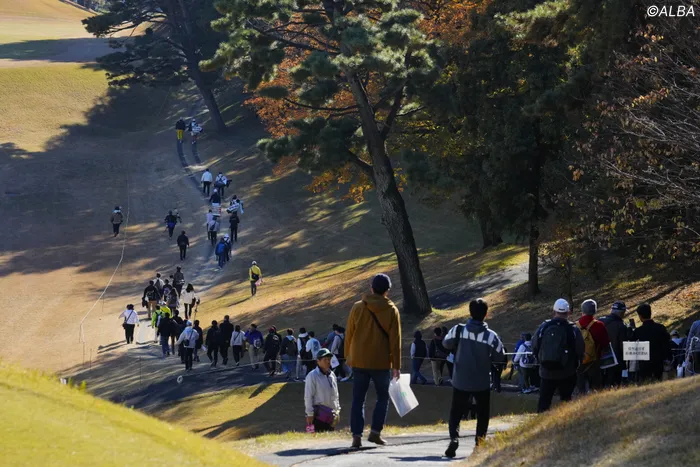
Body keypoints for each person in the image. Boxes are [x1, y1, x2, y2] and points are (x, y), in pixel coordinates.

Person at [442, 299, 504, 457]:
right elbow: (500, 356)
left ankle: (454, 438)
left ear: (470, 313)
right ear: (486, 314)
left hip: (461, 379)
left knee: (456, 412)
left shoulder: (459, 330)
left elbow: (446, 343)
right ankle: (479, 445)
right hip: (481, 381)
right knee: (483, 414)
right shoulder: (491, 336)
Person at [345, 273, 401, 449]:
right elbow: (395, 341)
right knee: (383, 397)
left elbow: (349, 334)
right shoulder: (391, 310)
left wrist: (348, 356)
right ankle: (375, 432)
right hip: (381, 361)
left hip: (359, 360)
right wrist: (396, 366)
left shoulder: (357, 307)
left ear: (371, 288)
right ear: (387, 291)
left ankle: (356, 436)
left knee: (358, 399)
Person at [532, 299, 585, 413]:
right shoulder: (573, 329)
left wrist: (540, 361)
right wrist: (576, 364)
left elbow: (535, 345)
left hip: (546, 371)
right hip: (567, 371)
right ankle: (565, 421)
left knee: (544, 402)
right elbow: (580, 350)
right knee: (566, 401)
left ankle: (540, 421)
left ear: (554, 311)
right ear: (568, 312)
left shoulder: (544, 326)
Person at [576, 299, 610, 394]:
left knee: (581, 390)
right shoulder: (599, 325)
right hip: (594, 362)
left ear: (582, 310)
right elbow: (605, 344)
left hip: (579, 363)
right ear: (595, 310)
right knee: (596, 389)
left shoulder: (576, 326)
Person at [304, 348, 341, 433]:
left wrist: (338, 410)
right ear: (318, 361)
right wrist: (309, 414)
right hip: (318, 416)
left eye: (329, 359)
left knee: (330, 438)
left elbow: (336, 394)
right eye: (325, 359)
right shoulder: (312, 375)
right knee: (316, 438)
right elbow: (308, 396)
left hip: (331, 415)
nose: (328, 362)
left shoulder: (332, 375)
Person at [633, 303, 671, 382]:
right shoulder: (660, 328)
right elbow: (667, 343)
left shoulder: (638, 331)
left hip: (644, 363)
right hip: (659, 361)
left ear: (640, 316)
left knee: (646, 383)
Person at [599, 301, 633, 387]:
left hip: (600, 358)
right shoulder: (621, 326)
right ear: (621, 312)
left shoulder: (600, 321)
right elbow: (623, 346)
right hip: (616, 361)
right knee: (614, 385)